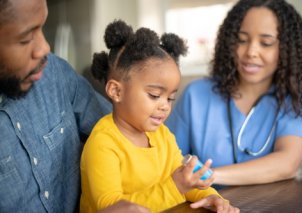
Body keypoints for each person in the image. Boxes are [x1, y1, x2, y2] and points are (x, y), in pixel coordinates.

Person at [0, 0, 149, 212]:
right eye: (25, 39)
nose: (45, 48)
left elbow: (126, 135)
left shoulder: (55, 74)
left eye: (42, 26)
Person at [79, 20, 239, 213]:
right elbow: (111, 207)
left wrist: (211, 197)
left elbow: (184, 183)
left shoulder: (162, 135)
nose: (164, 106)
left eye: (170, 98)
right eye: (154, 95)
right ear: (116, 91)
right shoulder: (103, 143)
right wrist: (176, 187)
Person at [166, 0, 302, 186]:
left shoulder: (294, 97)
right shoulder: (196, 95)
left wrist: (208, 176)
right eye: (242, 40)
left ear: (287, 49)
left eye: (266, 43)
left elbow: (287, 163)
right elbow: (166, 160)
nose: (251, 52)